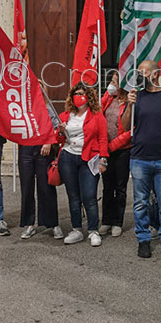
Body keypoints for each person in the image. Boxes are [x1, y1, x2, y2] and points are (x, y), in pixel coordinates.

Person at [128, 60, 161, 260]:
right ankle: (143, 240)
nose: (140, 74)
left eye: (143, 71)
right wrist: (130, 106)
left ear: (155, 74)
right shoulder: (137, 96)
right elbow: (125, 126)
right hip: (140, 158)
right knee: (140, 202)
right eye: (138, 71)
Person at [57, 83, 108, 246]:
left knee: (89, 196)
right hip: (68, 158)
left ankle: (93, 230)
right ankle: (76, 229)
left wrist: (103, 159)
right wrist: (59, 131)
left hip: (89, 159)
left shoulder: (97, 115)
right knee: (73, 196)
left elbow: (103, 139)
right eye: (76, 93)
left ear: (89, 96)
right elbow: (58, 140)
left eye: (82, 93)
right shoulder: (65, 116)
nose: (79, 96)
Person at [18, 85, 64, 241]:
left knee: (46, 187)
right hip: (26, 149)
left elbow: (55, 127)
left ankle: (52, 223)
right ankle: (29, 224)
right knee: (27, 187)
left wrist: (48, 142)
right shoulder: (22, 107)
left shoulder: (47, 107)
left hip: (43, 150)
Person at [100, 71, 132, 238]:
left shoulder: (129, 102)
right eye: (111, 81)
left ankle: (117, 222)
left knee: (120, 187)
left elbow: (130, 130)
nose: (111, 84)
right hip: (106, 150)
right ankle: (106, 220)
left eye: (114, 82)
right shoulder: (108, 100)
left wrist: (113, 145)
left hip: (121, 150)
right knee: (107, 187)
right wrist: (107, 94)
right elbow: (98, 115)